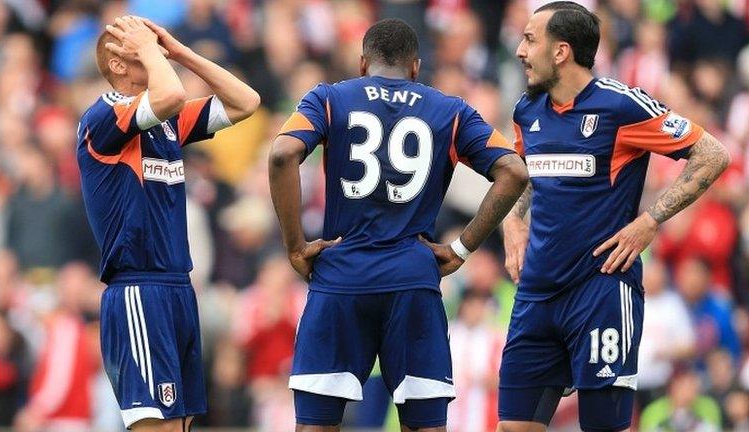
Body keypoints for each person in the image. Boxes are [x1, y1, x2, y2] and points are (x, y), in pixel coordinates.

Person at [269, 18, 528, 432]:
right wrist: (461, 248)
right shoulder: (450, 110)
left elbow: (282, 155)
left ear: (362, 63)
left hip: (340, 277)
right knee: (425, 425)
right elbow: (513, 171)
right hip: (413, 279)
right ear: (415, 68)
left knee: (316, 425)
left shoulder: (329, 98)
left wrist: (295, 247)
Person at [499, 2, 730, 432]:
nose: (520, 50)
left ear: (561, 51)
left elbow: (712, 154)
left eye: (530, 39)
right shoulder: (527, 110)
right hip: (535, 295)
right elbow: (529, 169)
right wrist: (514, 217)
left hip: (600, 291)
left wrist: (651, 219)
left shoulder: (620, 105)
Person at [77, 15, 259, 432]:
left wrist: (181, 52)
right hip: (138, 290)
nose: (156, 51)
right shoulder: (104, 116)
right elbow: (172, 93)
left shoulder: (167, 123)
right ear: (119, 65)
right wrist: (150, 52)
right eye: (142, 48)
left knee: (181, 423)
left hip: (179, 287)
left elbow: (245, 101)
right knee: (154, 426)